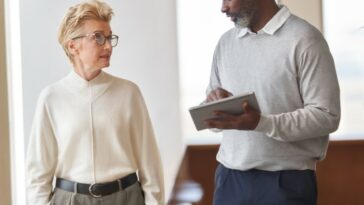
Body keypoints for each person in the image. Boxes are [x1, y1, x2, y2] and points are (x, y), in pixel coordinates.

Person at [26, 1, 164, 204]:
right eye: (98, 37)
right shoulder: (51, 98)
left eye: (109, 38)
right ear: (73, 45)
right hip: (69, 199)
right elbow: (38, 175)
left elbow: (150, 165)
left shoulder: (129, 93)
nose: (108, 45)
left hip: (126, 198)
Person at [203, 0, 340, 205]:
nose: (223, 8)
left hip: (286, 183)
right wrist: (213, 105)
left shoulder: (305, 38)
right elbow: (211, 106)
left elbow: (327, 116)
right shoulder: (226, 43)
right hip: (229, 180)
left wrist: (262, 123)